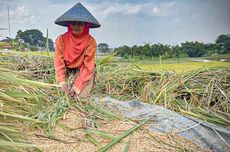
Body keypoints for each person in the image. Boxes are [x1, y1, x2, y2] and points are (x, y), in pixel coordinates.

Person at [54, 2, 100, 99]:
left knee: (80, 97)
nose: (76, 26)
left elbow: (88, 66)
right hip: (67, 69)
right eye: (73, 23)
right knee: (60, 94)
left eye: (80, 23)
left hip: (83, 71)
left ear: (86, 25)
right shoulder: (61, 40)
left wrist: (76, 87)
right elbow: (59, 62)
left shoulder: (91, 42)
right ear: (69, 25)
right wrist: (62, 82)